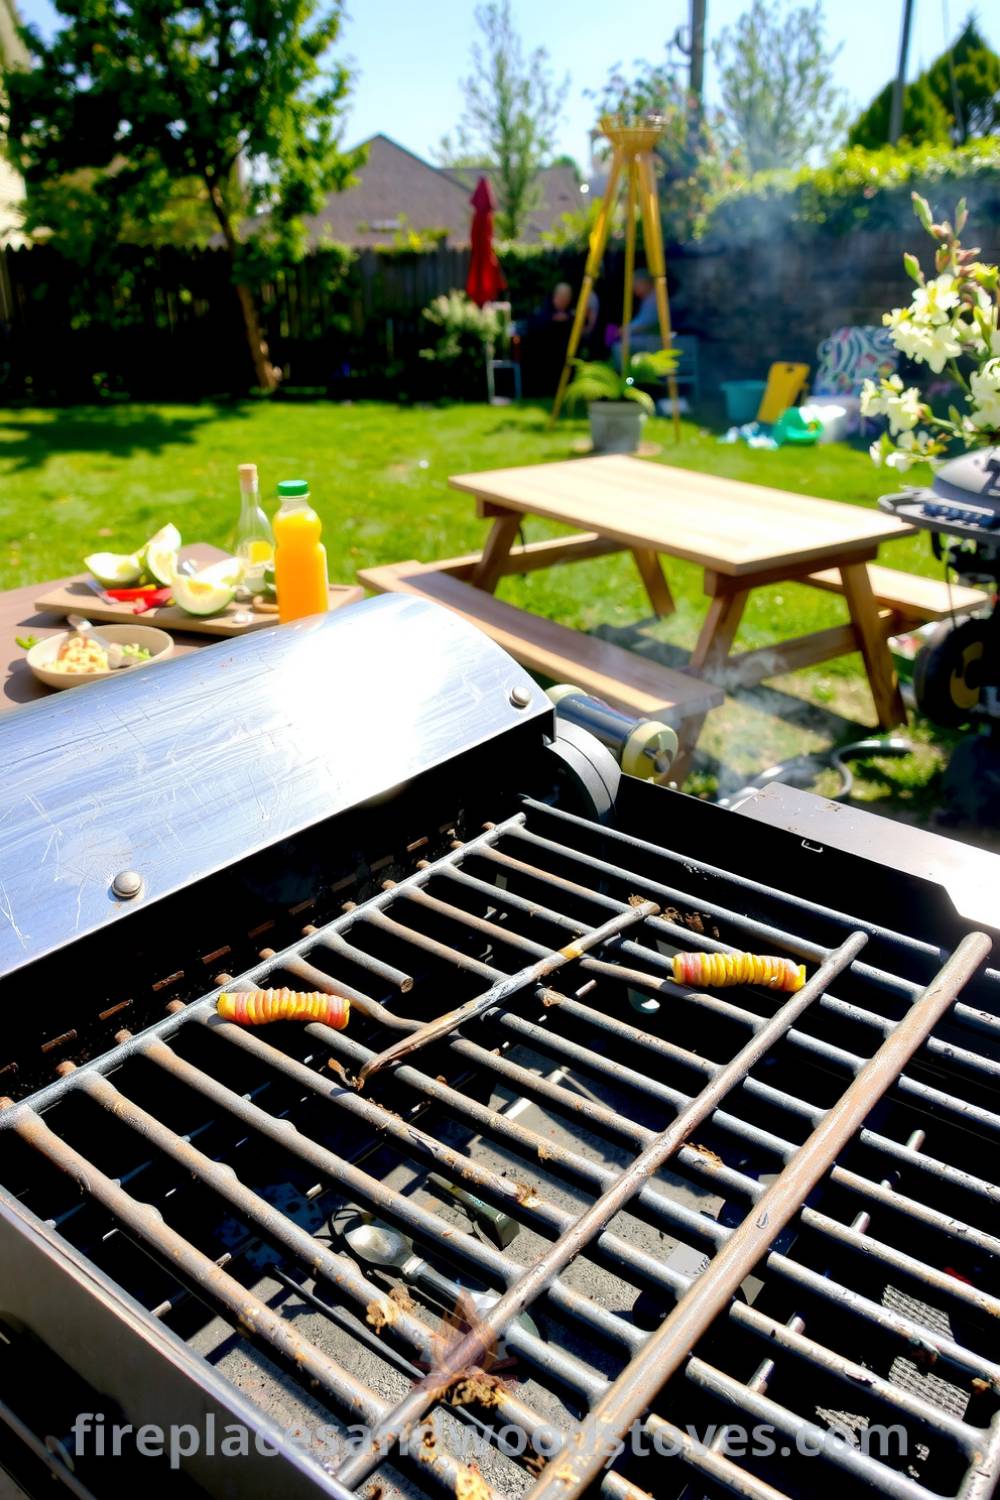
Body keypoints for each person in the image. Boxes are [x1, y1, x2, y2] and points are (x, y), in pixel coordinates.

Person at [611, 267, 661, 369]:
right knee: (617, 340)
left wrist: (623, 330)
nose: (634, 290)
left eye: (635, 285)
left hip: (654, 340)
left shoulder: (654, 299)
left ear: (644, 283)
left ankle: (625, 377)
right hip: (651, 338)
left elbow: (644, 323)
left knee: (619, 347)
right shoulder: (649, 298)